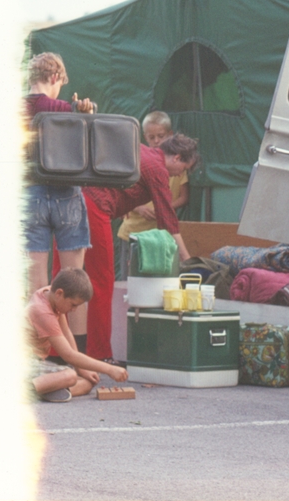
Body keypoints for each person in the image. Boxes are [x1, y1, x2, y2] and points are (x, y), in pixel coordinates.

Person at [53, 134, 200, 361]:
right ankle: (98, 353)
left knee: (60, 279)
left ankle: (53, 350)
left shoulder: (139, 149)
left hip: (68, 199)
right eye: (184, 168)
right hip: (94, 208)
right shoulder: (158, 168)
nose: (180, 174)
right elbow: (167, 221)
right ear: (177, 157)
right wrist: (187, 260)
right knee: (101, 282)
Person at [23, 52, 95, 351]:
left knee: (36, 284)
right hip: (66, 194)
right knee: (75, 279)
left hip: (30, 195)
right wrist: (85, 112)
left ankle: (37, 355)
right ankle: (76, 354)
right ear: (55, 78)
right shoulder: (64, 108)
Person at [27, 268, 128, 402]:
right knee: (70, 375)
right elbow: (68, 355)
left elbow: (66, 332)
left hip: (35, 365)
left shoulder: (51, 295)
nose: (74, 310)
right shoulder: (43, 313)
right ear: (59, 293)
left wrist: (81, 368)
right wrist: (110, 369)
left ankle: (43, 391)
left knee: (87, 382)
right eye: (73, 305)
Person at [116, 111, 189, 278]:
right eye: (152, 137)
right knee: (129, 277)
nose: (156, 141)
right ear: (144, 137)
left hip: (158, 234)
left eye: (160, 136)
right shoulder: (138, 161)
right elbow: (122, 192)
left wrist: (163, 208)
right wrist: (138, 207)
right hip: (132, 232)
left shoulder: (177, 169)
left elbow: (182, 198)